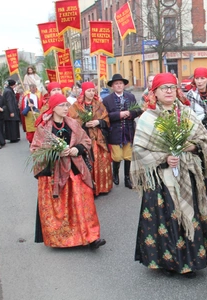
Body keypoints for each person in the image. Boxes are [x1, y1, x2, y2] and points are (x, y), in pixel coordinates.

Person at [130, 72, 207, 278]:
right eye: (163, 88)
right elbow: (139, 149)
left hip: (186, 173)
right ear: (155, 93)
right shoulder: (147, 118)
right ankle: (167, 260)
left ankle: (189, 261)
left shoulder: (186, 113)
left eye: (172, 87)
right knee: (165, 218)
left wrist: (190, 146)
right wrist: (163, 157)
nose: (168, 91)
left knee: (188, 213)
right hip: (160, 179)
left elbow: (203, 139)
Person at [31, 93, 106, 249]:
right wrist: (55, 153)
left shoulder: (72, 123)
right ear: (53, 108)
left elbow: (85, 141)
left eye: (66, 105)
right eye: (62, 105)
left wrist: (76, 150)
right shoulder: (43, 128)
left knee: (85, 204)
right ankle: (64, 239)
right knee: (63, 208)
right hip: (55, 173)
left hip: (76, 170)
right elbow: (36, 150)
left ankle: (92, 237)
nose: (66, 108)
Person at [68, 82, 112, 196]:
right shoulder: (76, 106)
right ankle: (90, 189)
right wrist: (84, 124)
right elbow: (71, 121)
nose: (91, 93)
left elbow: (106, 119)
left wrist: (98, 122)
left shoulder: (99, 105)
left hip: (98, 139)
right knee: (88, 161)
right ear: (83, 92)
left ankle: (102, 187)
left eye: (93, 91)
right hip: (85, 138)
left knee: (101, 161)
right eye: (89, 91)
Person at [186, 67, 207, 212]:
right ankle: (203, 202)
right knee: (202, 170)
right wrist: (206, 118)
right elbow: (190, 119)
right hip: (199, 137)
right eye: (197, 78)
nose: (199, 81)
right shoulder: (190, 95)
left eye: (202, 78)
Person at [102, 73, 143, 189]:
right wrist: (119, 115)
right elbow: (105, 116)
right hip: (115, 132)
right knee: (117, 156)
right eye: (116, 84)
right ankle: (115, 173)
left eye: (120, 83)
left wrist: (130, 113)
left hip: (128, 131)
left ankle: (127, 178)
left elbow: (138, 110)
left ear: (124, 85)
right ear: (112, 86)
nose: (119, 85)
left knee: (128, 156)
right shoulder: (107, 100)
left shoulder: (130, 97)